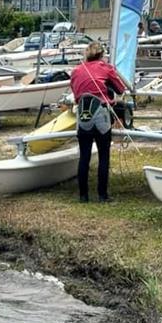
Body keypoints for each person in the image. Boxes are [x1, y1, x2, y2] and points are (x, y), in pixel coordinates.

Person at [69, 42, 126, 203]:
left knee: (84, 157)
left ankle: (83, 196)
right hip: (101, 113)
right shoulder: (106, 68)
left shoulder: (76, 70)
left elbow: (76, 95)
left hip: (83, 115)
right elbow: (120, 90)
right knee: (103, 156)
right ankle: (102, 195)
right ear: (101, 55)